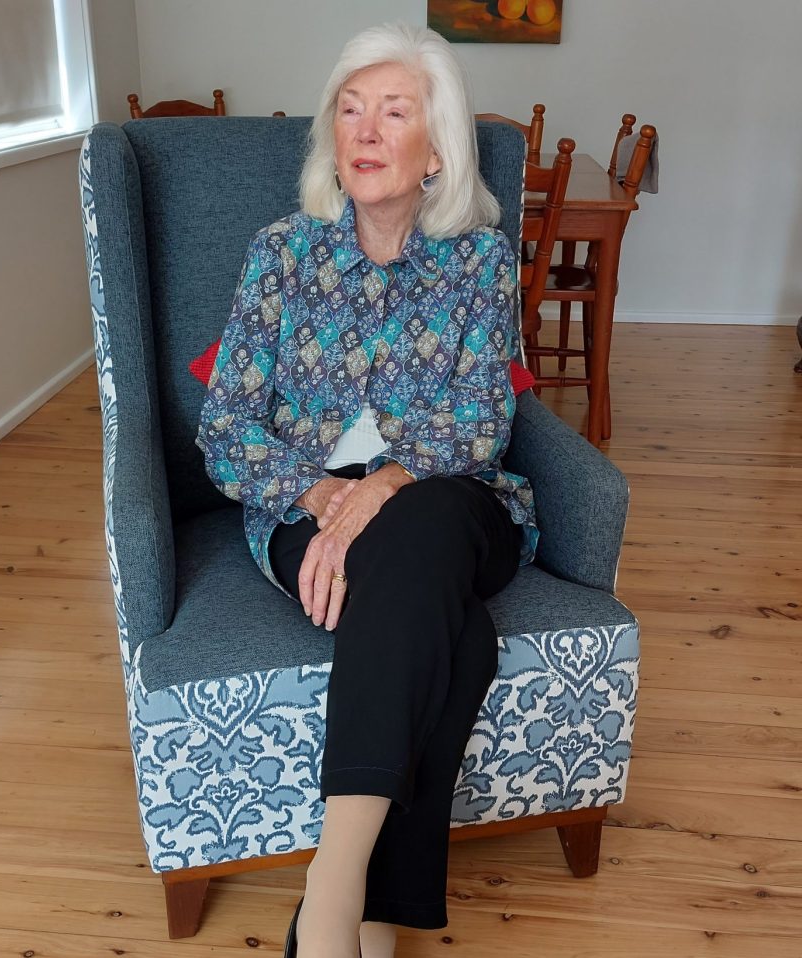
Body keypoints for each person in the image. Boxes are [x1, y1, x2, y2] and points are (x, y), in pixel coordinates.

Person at [195, 21, 538, 958]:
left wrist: (377, 489)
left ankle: (329, 886)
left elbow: (479, 426)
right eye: (350, 111)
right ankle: (371, 921)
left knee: (421, 527)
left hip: (455, 497)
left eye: (395, 112)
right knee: (449, 633)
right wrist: (322, 501)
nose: (367, 130)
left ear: (439, 148)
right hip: (306, 509)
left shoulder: (476, 261)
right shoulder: (280, 255)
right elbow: (222, 430)